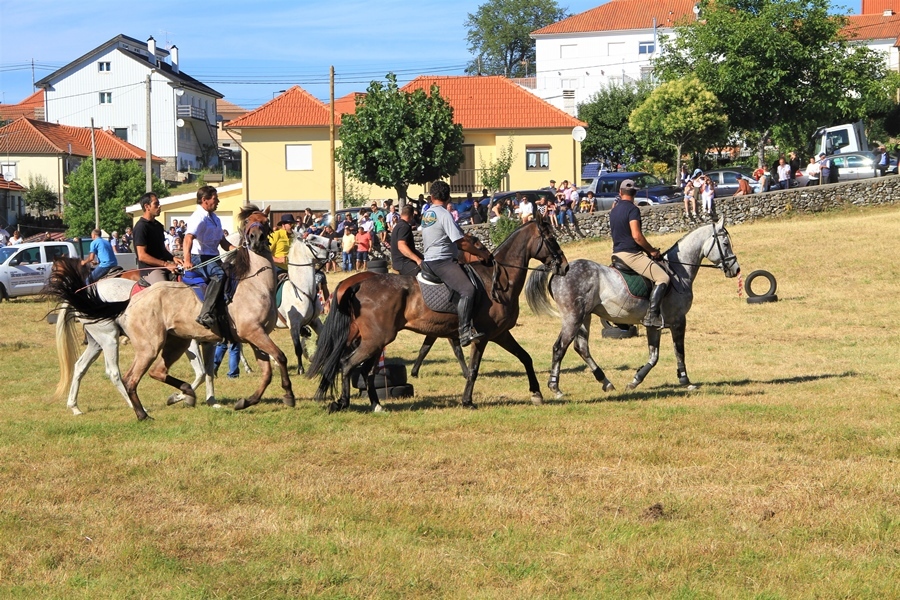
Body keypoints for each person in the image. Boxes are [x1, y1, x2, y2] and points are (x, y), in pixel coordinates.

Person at [421, 180, 492, 347]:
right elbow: (462, 243)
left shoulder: (427, 214)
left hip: (429, 259)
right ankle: (464, 331)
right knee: (468, 289)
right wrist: (481, 253)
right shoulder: (444, 214)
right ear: (448, 197)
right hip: (442, 261)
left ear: (431, 197)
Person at [609, 179, 670, 329]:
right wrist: (652, 251)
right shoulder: (633, 209)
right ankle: (652, 316)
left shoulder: (614, 210)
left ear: (620, 192)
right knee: (663, 278)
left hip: (616, 253)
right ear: (635, 193)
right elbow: (636, 236)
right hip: (630, 255)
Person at [183, 186, 236, 330]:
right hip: (198, 257)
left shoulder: (215, 219)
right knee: (218, 275)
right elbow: (188, 238)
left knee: (232, 271)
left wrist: (237, 250)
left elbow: (223, 242)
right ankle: (205, 313)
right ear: (204, 200)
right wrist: (187, 260)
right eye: (215, 198)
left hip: (213, 257)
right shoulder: (198, 217)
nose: (218, 201)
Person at [133, 192, 181, 284]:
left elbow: (162, 250)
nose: (159, 206)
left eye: (159, 204)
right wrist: (166, 264)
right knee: (165, 289)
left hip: (163, 266)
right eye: (156, 204)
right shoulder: (141, 227)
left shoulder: (158, 226)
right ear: (147, 206)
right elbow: (142, 256)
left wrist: (173, 258)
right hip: (150, 270)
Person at [391, 204, 423, 276]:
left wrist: (423, 258)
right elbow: (401, 246)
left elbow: (411, 249)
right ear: (411, 215)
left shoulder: (398, 226)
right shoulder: (404, 227)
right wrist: (418, 260)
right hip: (404, 263)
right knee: (424, 276)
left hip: (399, 262)